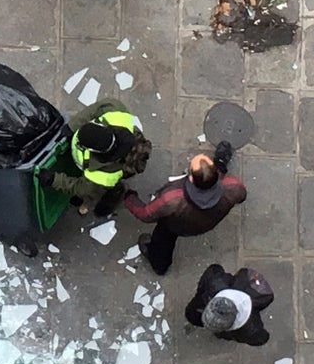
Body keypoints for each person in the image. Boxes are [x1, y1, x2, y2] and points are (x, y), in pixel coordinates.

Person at [122, 141, 247, 275]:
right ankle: (221, 160)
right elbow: (241, 197)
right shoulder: (234, 187)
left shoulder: (172, 199)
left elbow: (145, 214)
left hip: (175, 225)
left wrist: (129, 198)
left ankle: (159, 266)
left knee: (162, 242)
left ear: (191, 178)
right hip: (208, 222)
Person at [39, 101, 152, 218]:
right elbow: (96, 108)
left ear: (93, 151)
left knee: (104, 194)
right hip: (124, 156)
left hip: (108, 178)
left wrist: (53, 180)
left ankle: (114, 198)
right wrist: (73, 125)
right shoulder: (116, 112)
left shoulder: (100, 177)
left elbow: (79, 188)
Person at [185, 264, 274, 346]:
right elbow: (261, 338)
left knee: (192, 314)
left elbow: (214, 269)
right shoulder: (251, 328)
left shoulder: (216, 282)